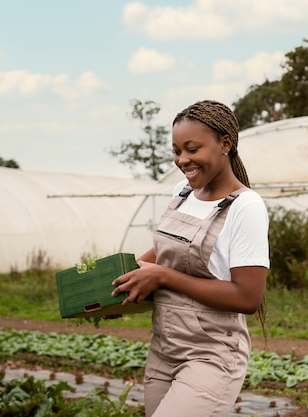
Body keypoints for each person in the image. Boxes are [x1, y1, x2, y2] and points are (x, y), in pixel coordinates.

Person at [111, 100, 269, 417]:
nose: (183, 160)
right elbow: (165, 252)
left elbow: (248, 297)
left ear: (225, 143)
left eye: (192, 149)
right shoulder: (180, 193)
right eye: (177, 151)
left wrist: (163, 276)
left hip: (211, 354)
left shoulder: (245, 207)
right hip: (164, 348)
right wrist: (111, 285)